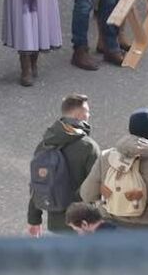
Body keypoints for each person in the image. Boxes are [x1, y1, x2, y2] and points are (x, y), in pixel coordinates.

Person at [78, 109, 148, 230]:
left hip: (110, 226)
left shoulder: (106, 156)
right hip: (147, 230)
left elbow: (87, 194)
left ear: (130, 129)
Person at [25, 94, 98, 236]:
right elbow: (96, 188)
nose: (89, 115)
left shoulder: (45, 144)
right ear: (79, 116)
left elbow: (37, 184)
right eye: (88, 112)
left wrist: (33, 219)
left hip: (55, 225)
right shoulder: (88, 147)